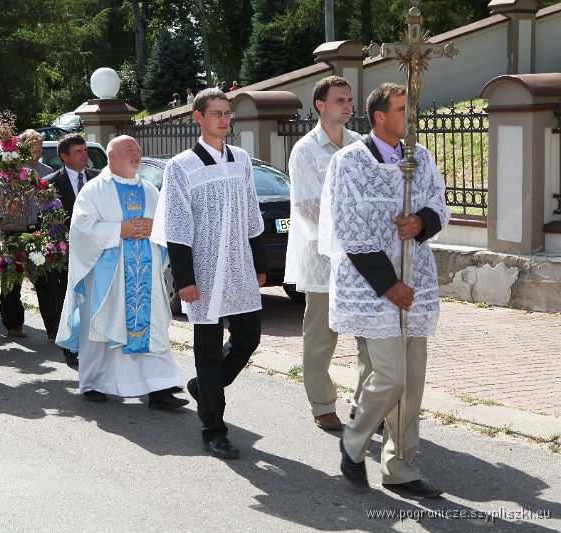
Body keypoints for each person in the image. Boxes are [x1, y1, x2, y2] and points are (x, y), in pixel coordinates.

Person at [320, 83, 449, 498]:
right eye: (401, 110)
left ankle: (401, 467)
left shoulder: (422, 157)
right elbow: (349, 229)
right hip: (371, 287)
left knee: (412, 381)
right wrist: (388, 284)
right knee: (390, 376)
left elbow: (439, 204)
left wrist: (422, 222)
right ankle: (354, 442)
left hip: (417, 281)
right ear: (380, 117)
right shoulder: (351, 162)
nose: (410, 117)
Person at [151, 88, 266, 460]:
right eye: (216, 113)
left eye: (227, 113)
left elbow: (252, 214)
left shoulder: (242, 159)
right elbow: (178, 227)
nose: (224, 119)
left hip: (239, 264)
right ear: (198, 117)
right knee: (207, 349)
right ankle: (214, 429)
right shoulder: (181, 166)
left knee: (249, 337)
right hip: (202, 269)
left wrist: (260, 263)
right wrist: (184, 279)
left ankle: (204, 386)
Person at [56, 135, 188, 411]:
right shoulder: (94, 190)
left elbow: (165, 227)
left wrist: (155, 229)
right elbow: (81, 230)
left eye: (138, 149)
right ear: (111, 157)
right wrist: (120, 230)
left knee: (152, 330)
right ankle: (94, 383)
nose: (136, 153)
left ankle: (159, 388)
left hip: (146, 276)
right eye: (129, 149)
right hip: (109, 276)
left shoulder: (151, 190)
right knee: (105, 328)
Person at [284, 75, 368, 431]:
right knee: (320, 335)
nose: (348, 106)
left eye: (349, 100)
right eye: (340, 100)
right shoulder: (305, 149)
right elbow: (306, 207)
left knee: (369, 332)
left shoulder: (360, 144)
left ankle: (368, 404)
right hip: (321, 258)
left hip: (362, 256)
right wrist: (342, 241)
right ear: (320, 105)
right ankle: (321, 404)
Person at [43, 134, 100, 366]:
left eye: (85, 150)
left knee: (92, 297)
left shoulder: (98, 179)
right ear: (64, 157)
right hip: (65, 251)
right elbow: (44, 218)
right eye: (78, 151)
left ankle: (92, 341)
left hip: (97, 250)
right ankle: (70, 346)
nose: (84, 155)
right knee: (68, 298)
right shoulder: (50, 183)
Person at [0, 128, 54, 337]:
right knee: (13, 277)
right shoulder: (13, 170)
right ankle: (13, 323)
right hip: (15, 228)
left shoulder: (47, 171)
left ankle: (52, 325)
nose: (36, 154)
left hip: (40, 229)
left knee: (45, 278)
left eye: (39, 149)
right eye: (32, 149)